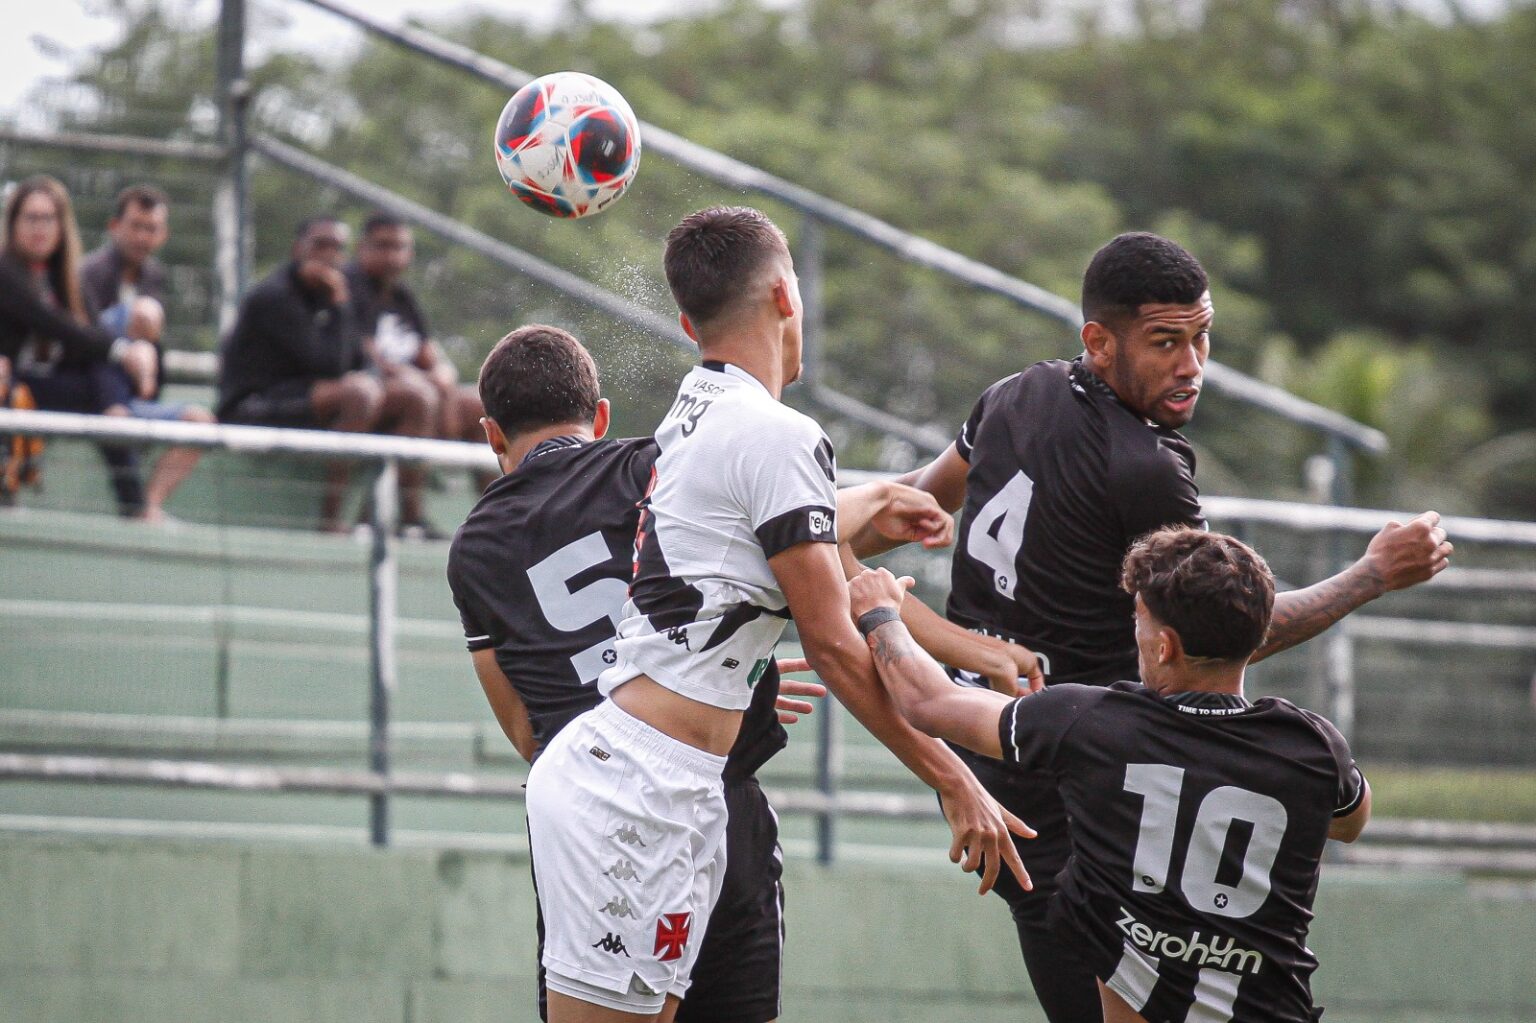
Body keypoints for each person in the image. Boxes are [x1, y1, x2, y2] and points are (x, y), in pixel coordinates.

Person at [890, 230, 1452, 1020]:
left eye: (1202, 336)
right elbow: (1225, 627)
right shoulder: (1145, 468)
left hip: (1015, 753)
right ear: (1099, 341)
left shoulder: (1014, 392)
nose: (1192, 364)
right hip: (1080, 786)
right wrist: (1372, 574)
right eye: (1165, 342)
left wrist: (857, 558)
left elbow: (914, 499)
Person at [519, 205, 1030, 1023]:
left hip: (672, 785)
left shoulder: (697, 407)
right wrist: (952, 776)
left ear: (688, 324)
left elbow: (755, 537)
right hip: (638, 787)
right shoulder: (779, 434)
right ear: (788, 296)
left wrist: (868, 505)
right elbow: (833, 643)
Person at [849, 528, 1372, 1023]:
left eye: (1139, 619)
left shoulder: (1093, 726)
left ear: (1164, 646)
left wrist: (880, 612)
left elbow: (928, 702)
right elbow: (1349, 823)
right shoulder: (1313, 746)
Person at [218, 215, 437, 534]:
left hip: (304, 396)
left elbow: (357, 360)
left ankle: (396, 522)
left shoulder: (329, 292)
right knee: (359, 393)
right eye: (320, 245)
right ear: (298, 249)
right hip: (252, 405)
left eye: (337, 248)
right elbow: (328, 365)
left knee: (415, 397)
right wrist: (340, 303)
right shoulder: (275, 295)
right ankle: (331, 522)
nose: (329, 255)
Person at [0, 175, 158, 516]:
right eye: (31, 218)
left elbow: (92, 332)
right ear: (13, 223)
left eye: (49, 218)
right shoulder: (5, 270)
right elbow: (53, 324)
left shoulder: (65, 275)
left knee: (100, 366)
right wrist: (124, 351)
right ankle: (5, 494)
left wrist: (126, 352)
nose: (40, 227)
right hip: (7, 385)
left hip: (38, 386)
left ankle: (135, 503)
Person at [81, 184, 216, 523]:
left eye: (151, 228)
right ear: (115, 226)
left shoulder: (154, 275)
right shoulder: (89, 273)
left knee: (201, 423)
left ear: (164, 235)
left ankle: (149, 506)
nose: (142, 237)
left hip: (132, 397)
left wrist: (145, 387)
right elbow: (86, 345)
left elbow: (151, 347)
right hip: (93, 393)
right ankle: (137, 505)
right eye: (136, 226)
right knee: (143, 314)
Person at [346, 211, 482, 443]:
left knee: (478, 407)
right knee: (418, 396)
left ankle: (483, 469)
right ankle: (412, 469)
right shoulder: (349, 287)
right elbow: (367, 354)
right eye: (383, 246)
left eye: (400, 247)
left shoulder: (402, 296)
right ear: (362, 247)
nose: (392, 256)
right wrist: (421, 378)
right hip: (371, 386)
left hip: (417, 384)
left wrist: (442, 375)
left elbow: (430, 354)